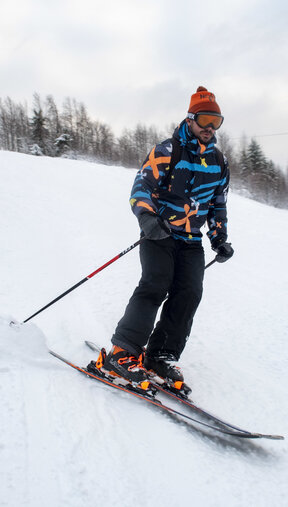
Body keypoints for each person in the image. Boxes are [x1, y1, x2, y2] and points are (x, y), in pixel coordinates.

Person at [99, 86, 234, 390]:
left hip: (190, 240)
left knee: (189, 293)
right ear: (190, 118)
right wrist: (147, 218)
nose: (210, 127)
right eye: (204, 119)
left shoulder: (219, 162)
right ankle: (122, 354)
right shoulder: (167, 151)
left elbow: (217, 203)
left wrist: (219, 238)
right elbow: (141, 188)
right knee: (155, 285)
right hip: (159, 232)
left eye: (216, 121)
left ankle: (160, 356)